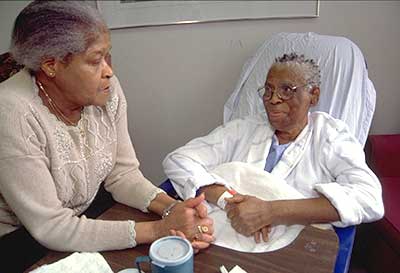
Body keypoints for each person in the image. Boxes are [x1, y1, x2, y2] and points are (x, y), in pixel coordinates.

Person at [0, 0, 213, 267]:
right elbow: (51, 227)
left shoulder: (105, 91)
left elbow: (121, 174)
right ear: (50, 65)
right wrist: (159, 230)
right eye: (95, 60)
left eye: (107, 55)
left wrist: (174, 209)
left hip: (87, 215)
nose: (109, 71)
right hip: (22, 243)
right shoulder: (11, 113)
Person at [163, 52, 384, 243]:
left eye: (287, 90)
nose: (273, 99)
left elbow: (369, 198)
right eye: (268, 90)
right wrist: (228, 201)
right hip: (221, 236)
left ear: (313, 95)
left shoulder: (330, 136)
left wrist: (270, 211)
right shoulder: (245, 128)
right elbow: (178, 160)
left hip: (290, 248)